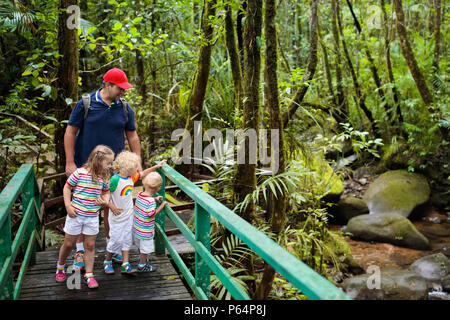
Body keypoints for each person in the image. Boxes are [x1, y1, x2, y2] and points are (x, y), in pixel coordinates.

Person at [64, 67, 141, 270]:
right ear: (107, 84)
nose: (123, 92)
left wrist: (137, 161)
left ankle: (112, 248)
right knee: (84, 209)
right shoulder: (86, 104)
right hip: (86, 168)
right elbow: (71, 132)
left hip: (114, 169)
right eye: (120, 88)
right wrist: (69, 162)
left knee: (112, 210)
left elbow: (132, 136)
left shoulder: (124, 108)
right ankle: (80, 252)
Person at [55, 145, 114, 289]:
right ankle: (60, 267)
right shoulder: (80, 173)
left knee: (90, 245)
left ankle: (89, 274)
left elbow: (106, 192)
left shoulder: (104, 178)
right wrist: (68, 206)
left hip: (92, 217)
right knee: (69, 244)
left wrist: (105, 200)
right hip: (75, 215)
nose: (110, 166)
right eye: (108, 163)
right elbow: (67, 187)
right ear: (98, 161)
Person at [102, 151, 166, 274]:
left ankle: (125, 263)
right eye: (135, 166)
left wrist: (157, 167)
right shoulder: (115, 179)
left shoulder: (130, 178)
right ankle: (107, 261)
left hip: (128, 215)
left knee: (127, 240)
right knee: (115, 240)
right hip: (116, 217)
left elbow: (142, 174)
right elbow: (106, 193)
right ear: (128, 168)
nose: (137, 169)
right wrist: (111, 206)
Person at [133, 171, 167, 272]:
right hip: (145, 230)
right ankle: (142, 265)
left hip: (137, 227)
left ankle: (142, 260)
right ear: (158, 188)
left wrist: (155, 199)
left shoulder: (140, 194)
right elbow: (151, 214)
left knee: (141, 247)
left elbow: (146, 203)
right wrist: (162, 205)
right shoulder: (151, 201)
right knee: (145, 248)